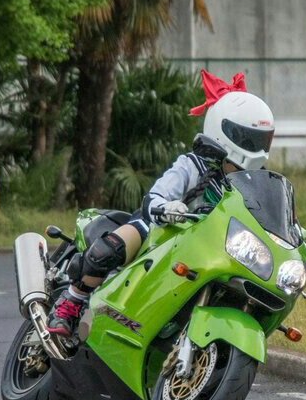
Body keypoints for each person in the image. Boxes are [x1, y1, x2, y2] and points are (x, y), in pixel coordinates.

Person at [46, 70, 276, 337]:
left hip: (204, 251)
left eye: (263, 140)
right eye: (250, 139)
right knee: (113, 248)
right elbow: (157, 196)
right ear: (223, 131)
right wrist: (165, 207)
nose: (258, 148)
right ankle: (73, 299)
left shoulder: (250, 184)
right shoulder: (191, 165)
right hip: (160, 233)